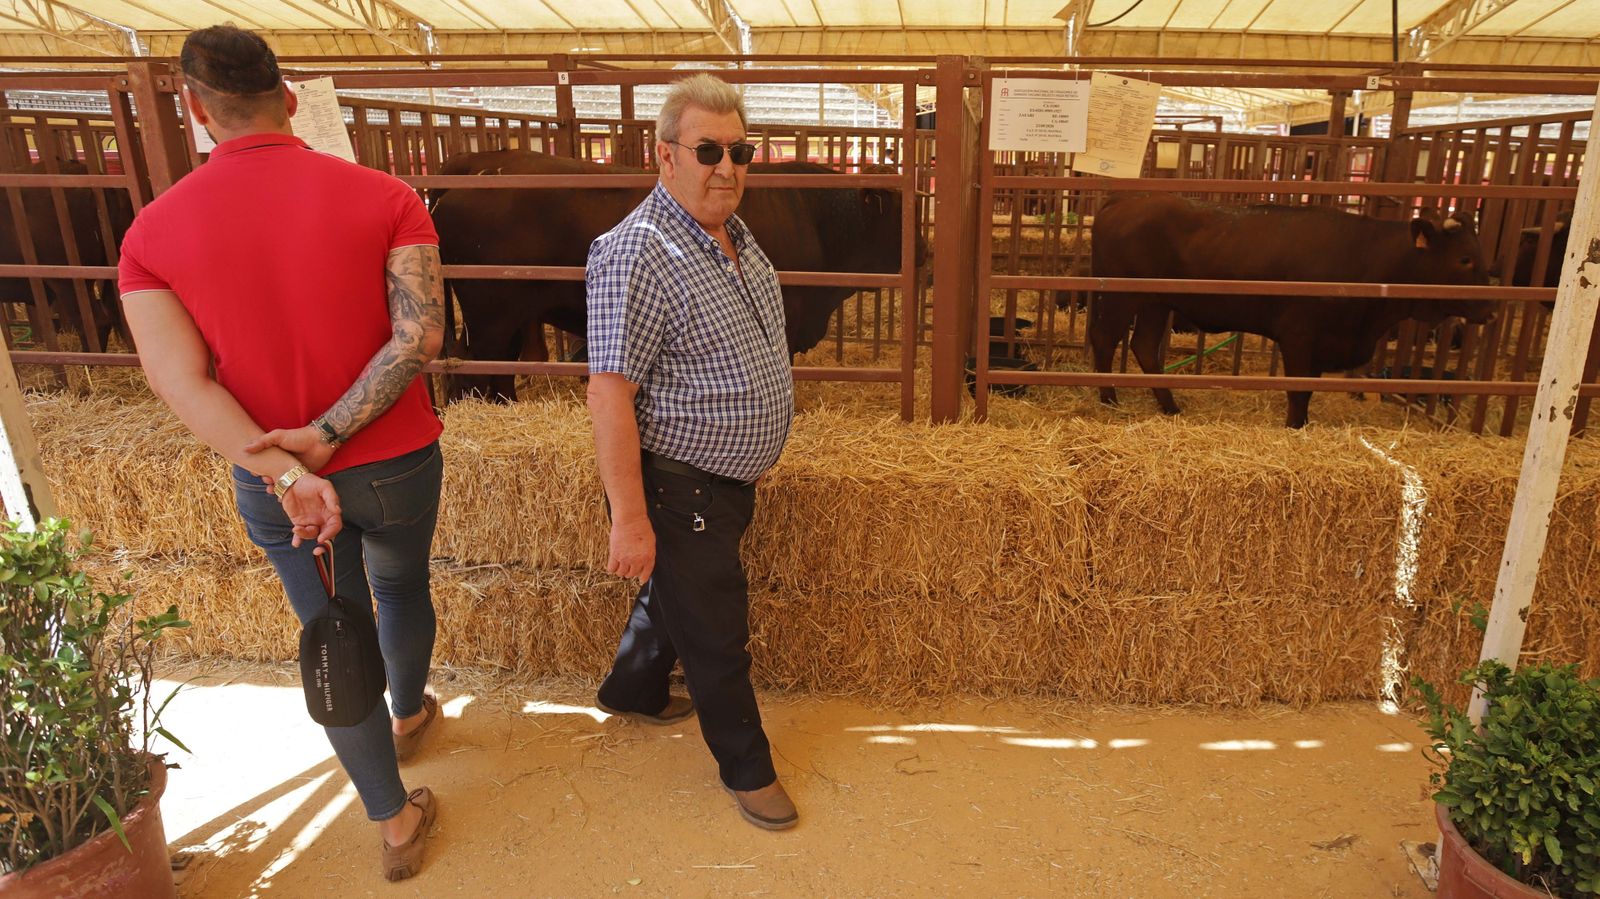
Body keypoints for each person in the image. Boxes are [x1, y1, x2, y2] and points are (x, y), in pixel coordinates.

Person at [117, 25, 446, 882]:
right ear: (290, 96)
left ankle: (394, 820)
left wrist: (291, 467)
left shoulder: (151, 233)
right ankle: (409, 713)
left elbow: (180, 382)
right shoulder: (387, 196)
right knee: (403, 584)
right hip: (398, 456)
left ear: (193, 109)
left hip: (276, 480)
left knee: (330, 629)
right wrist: (334, 432)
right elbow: (421, 335)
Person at [585, 73, 799, 831]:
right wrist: (630, 518)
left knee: (676, 593)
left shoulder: (733, 236)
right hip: (684, 486)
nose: (727, 166)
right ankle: (748, 769)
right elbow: (609, 394)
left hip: (724, 480)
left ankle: (631, 689)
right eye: (707, 149)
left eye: (740, 151)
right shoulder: (637, 251)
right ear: (664, 154)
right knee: (715, 628)